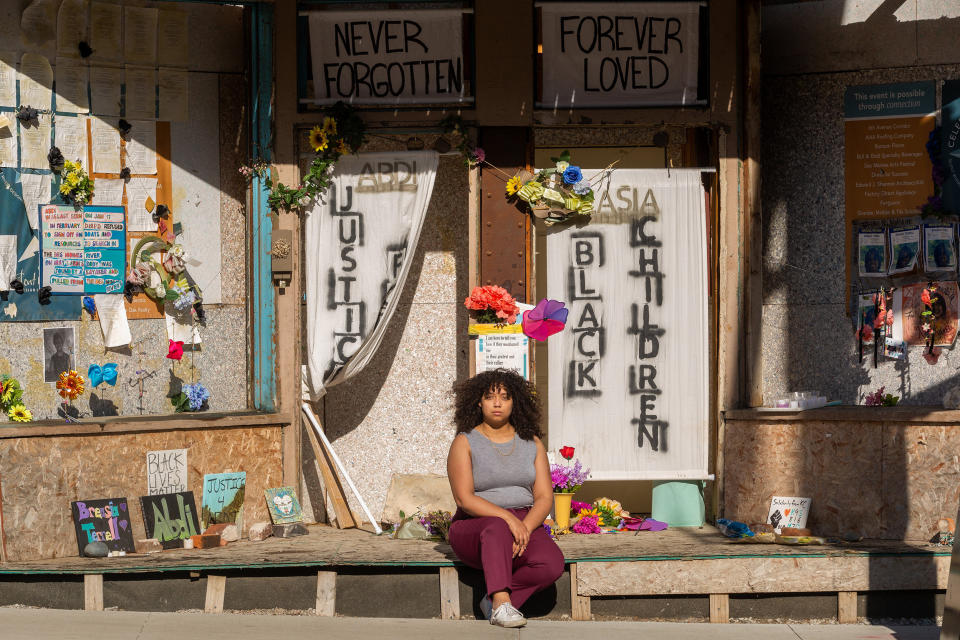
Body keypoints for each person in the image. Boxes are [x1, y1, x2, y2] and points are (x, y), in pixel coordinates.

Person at [446, 369, 563, 628]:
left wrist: (525, 527)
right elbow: (464, 499)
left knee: (551, 563)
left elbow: (544, 496)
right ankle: (501, 605)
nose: (497, 403)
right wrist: (509, 519)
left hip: (524, 520)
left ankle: (493, 601)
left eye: (505, 397)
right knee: (496, 527)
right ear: (479, 401)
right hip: (476, 525)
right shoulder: (464, 442)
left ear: (515, 402)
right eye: (490, 397)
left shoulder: (532, 442)